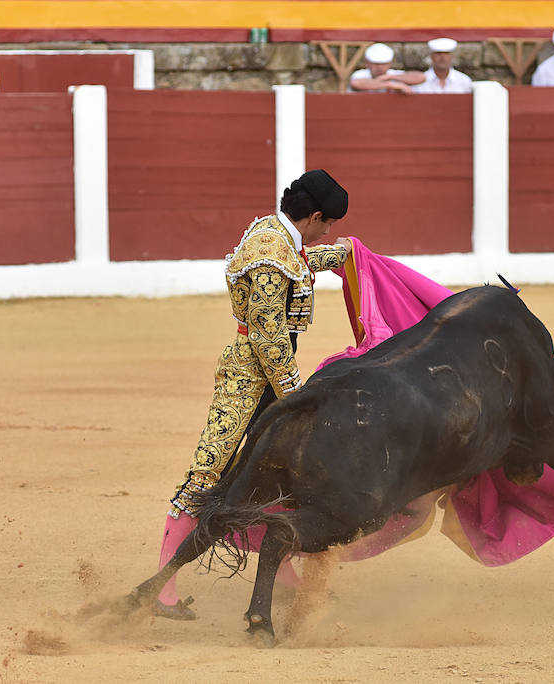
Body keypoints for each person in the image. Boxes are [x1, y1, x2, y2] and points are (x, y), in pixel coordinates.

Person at [153, 169, 353, 619]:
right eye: (329, 226)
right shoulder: (267, 254)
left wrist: (340, 255)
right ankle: (160, 589)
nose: (328, 233)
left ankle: (280, 577)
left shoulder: (276, 234)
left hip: (265, 373)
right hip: (250, 375)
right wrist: (294, 397)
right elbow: (268, 337)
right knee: (211, 469)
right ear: (315, 215)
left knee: (273, 472)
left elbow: (298, 261)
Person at [349, 42, 426, 93]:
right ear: (367, 64)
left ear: (390, 64)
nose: (380, 68)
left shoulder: (393, 74)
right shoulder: (361, 75)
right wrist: (390, 84)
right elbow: (356, 83)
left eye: (383, 64)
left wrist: (391, 77)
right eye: (376, 64)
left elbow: (421, 77)